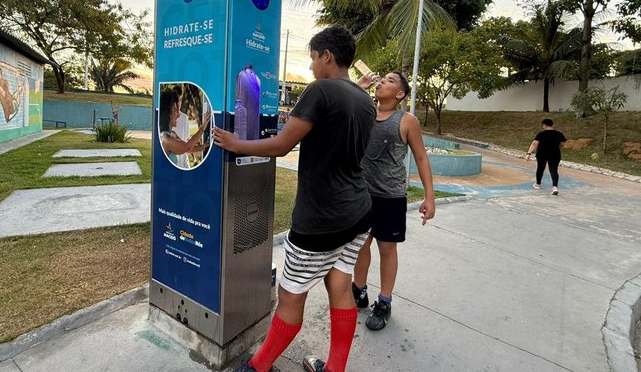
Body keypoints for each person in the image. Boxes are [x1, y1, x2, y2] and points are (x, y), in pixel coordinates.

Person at [214, 26, 376, 372]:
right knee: (340, 285)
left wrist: (235, 143)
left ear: (327, 56)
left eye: (313, 58)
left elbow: (282, 145)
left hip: (321, 220)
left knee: (290, 297)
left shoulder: (321, 90)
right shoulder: (365, 100)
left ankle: (257, 367)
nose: (312, 66)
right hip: (358, 213)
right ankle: (334, 369)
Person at [351, 71, 435, 331]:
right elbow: (342, 105)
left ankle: (385, 302)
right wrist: (360, 86)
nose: (382, 82)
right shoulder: (365, 111)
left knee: (387, 249)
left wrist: (429, 197)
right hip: (361, 194)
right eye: (382, 79)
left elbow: (421, 157)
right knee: (360, 245)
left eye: (389, 81)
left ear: (400, 94)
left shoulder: (407, 120)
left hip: (390, 196)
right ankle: (359, 291)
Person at [158, 87, 210, 166]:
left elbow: (187, 147)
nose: (178, 115)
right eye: (175, 110)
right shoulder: (166, 139)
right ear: (168, 114)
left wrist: (203, 147)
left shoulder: (171, 133)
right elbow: (186, 147)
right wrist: (202, 128)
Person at [525, 118, 567, 195]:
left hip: (542, 154)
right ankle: (555, 187)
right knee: (554, 170)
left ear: (544, 125)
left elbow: (535, 144)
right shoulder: (558, 133)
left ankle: (537, 184)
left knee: (540, 168)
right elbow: (562, 144)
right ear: (552, 125)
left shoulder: (541, 134)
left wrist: (529, 153)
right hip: (555, 154)